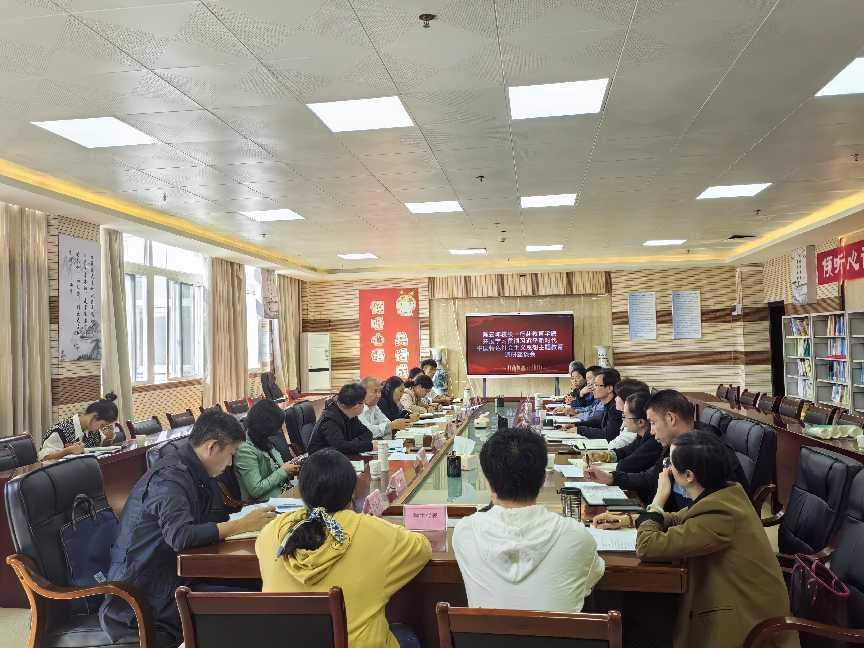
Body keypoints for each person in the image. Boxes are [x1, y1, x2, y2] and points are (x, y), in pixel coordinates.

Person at [100, 410, 276, 646]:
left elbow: (212, 518)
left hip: (177, 573)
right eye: (231, 454)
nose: (230, 463)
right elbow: (181, 536)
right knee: (254, 601)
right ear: (212, 447)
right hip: (145, 593)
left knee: (262, 583)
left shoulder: (195, 471)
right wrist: (242, 525)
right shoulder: (170, 478)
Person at [635, 432, 799, 648]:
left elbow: (647, 546)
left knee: (646, 618)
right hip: (735, 602)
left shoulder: (720, 513)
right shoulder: (725, 494)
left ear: (688, 475)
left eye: (669, 463)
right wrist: (633, 519)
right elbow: (680, 517)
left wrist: (658, 500)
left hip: (749, 625)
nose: (667, 470)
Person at [256, 448, 431, 648]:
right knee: (406, 633)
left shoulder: (272, 532)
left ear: (302, 492)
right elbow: (422, 548)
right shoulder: (372, 531)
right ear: (353, 491)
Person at [453, 427, 604, 611]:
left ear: (488, 482)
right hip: (555, 632)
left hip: (483, 632)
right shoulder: (577, 537)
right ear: (543, 480)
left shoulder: (464, 532)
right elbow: (590, 579)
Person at [586, 390, 749, 511]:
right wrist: (611, 478)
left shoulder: (706, 450)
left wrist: (653, 517)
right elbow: (651, 478)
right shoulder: (676, 444)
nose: (651, 431)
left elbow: (705, 515)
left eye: (653, 423)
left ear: (670, 418)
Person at [234, 399, 300, 502]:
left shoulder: (262, 439)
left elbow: (277, 468)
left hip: (282, 489)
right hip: (267, 501)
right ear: (264, 428)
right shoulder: (245, 450)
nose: (278, 431)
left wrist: (290, 469)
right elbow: (256, 490)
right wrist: (284, 471)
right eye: (276, 428)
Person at [588, 392, 662, 473]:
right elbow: (626, 451)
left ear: (640, 422)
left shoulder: (653, 442)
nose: (623, 420)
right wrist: (607, 455)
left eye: (625, 416)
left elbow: (625, 465)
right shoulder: (641, 436)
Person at [39, 392, 120, 460]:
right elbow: (43, 459)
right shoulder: (60, 430)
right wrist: (67, 451)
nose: (101, 428)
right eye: (102, 425)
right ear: (94, 416)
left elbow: (100, 449)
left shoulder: (93, 431)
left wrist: (109, 439)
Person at [307, 383, 373, 455]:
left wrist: (353, 444)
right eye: (363, 402)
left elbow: (368, 433)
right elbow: (342, 448)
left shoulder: (350, 415)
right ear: (356, 406)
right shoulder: (329, 421)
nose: (365, 405)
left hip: (338, 457)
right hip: (321, 459)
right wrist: (368, 446)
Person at [576, 368, 622, 441]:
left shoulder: (616, 408)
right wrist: (576, 425)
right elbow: (599, 422)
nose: (593, 388)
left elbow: (608, 434)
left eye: (596, 385)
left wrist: (579, 430)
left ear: (609, 388)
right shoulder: (608, 404)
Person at [608, 378, 650, 450]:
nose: (615, 399)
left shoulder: (635, 426)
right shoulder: (627, 415)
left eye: (618, 396)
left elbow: (613, 446)